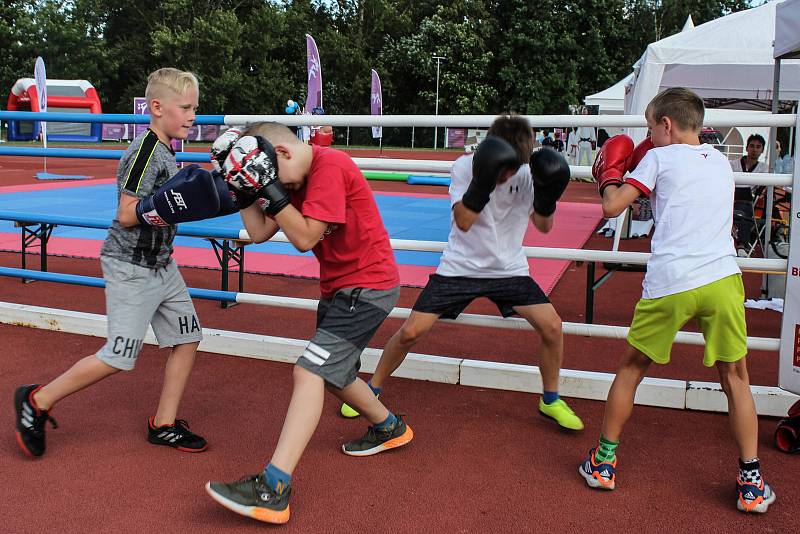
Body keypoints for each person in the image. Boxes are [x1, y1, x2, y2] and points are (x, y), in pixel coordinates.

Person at [205, 122, 412, 524]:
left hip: (367, 287)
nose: (274, 186)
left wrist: (268, 187)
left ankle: (273, 487)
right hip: (340, 289)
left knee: (308, 372)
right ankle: (389, 427)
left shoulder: (330, 165)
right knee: (336, 375)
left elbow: (305, 237)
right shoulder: (288, 176)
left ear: (281, 153)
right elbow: (260, 231)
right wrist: (241, 186)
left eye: (270, 176)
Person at [581, 87, 775, 514]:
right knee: (737, 379)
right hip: (723, 279)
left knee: (631, 370)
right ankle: (751, 483)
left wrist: (608, 174)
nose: (648, 137)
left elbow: (613, 208)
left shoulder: (657, 157)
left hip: (672, 281)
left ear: (666, 125)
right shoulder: (722, 162)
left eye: (652, 127)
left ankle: (603, 464)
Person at [338, 115, 583, 432]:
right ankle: (371, 389)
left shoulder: (529, 173)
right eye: (503, 167)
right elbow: (464, 221)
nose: (507, 175)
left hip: (508, 269)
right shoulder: (465, 167)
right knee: (411, 331)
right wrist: (484, 180)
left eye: (512, 168)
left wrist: (548, 198)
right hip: (460, 267)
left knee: (552, 326)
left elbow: (544, 227)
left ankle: (550, 400)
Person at [13, 68, 211, 457]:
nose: (192, 116)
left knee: (188, 338)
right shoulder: (144, 152)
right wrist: (170, 204)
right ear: (157, 107)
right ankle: (38, 399)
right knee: (119, 357)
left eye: (195, 108)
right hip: (130, 266)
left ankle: (165, 424)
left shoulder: (169, 151)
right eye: (185, 107)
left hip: (162, 264)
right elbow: (126, 212)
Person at [730, 134, 768, 257]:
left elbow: (762, 190)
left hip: (748, 203)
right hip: (730, 200)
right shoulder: (733, 164)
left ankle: (741, 244)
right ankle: (742, 245)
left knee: (747, 209)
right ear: (746, 148)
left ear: (762, 150)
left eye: (758, 147)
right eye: (752, 146)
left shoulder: (764, 169)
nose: (754, 149)